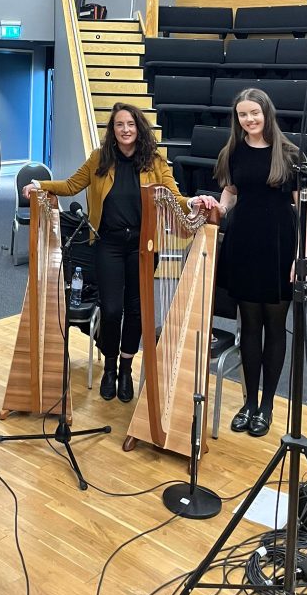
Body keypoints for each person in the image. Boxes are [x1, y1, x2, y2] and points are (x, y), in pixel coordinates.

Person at [25, 103, 207, 403]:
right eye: (119, 124)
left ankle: (125, 368)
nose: (125, 129)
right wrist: (38, 184)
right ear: (113, 129)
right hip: (108, 243)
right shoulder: (100, 158)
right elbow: (71, 185)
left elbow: (174, 197)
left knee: (136, 310)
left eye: (131, 124)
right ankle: (109, 367)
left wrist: (193, 203)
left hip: (143, 246)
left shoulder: (154, 161)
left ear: (139, 128)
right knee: (111, 309)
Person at [202, 86, 307, 438]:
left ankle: (267, 405)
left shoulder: (290, 154)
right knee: (249, 326)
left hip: (279, 247)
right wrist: (218, 208)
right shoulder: (232, 151)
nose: (249, 119)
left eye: (254, 113)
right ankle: (249, 402)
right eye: (242, 114)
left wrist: (301, 257)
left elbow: (306, 212)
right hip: (244, 244)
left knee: (275, 327)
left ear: (267, 113)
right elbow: (231, 192)